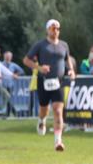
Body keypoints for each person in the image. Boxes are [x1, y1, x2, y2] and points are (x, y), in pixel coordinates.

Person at [23, 19, 75, 151]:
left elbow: (67, 58)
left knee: (58, 111)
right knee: (44, 109)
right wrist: (39, 68)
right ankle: (42, 120)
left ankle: (58, 142)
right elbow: (26, 60)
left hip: (59, 82)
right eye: (52, 28)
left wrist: (71, 70)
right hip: (44, 81)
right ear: (47, 30)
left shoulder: (64, 45)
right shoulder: (40, 45)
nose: (55, 31)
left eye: (57, 28)